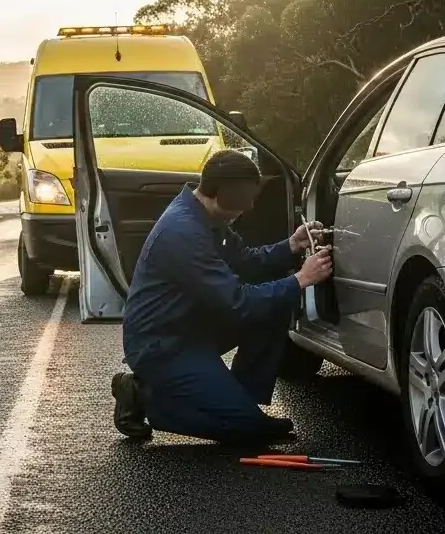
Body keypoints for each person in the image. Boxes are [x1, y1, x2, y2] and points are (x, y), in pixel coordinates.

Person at [110, 148, 334, 444]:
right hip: (163, 344)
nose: (250, 205)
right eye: (246, 198)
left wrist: (291, 245)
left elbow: (248, 262)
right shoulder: (184, 232)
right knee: (247, 430)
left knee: (278, 302)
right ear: (226, 194)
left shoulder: (207, 218)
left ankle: (240, 399)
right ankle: (144, 397)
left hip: (193, 325)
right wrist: (301, 279)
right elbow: (238, 302)